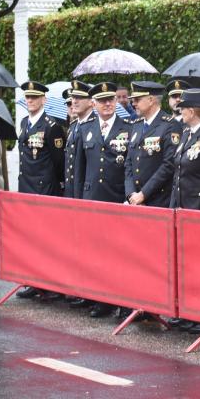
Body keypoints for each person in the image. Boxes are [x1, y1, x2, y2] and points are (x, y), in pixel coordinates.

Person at [72, 82, 132, 317]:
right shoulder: (85, 128)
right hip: (92, 198)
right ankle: (102, 300)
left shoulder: (128, 126)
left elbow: (131, 165)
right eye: (102, 100)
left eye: (111, 100)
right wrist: (78, 202)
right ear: (94, 104)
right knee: (97, 252)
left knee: (120, 253)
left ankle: (124, 302)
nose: (108, 104)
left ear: (116, 102)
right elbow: (79, 169)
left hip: (117, 198)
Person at [15, 81, 65, 300]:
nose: (30, 100)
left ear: (44, 99)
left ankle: (52, 284)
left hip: (45, 188)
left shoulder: (52, 125)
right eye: (28, 97)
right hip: (27, 186)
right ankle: (34, 281)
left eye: (34, 97)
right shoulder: (25, 122)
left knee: (48, 238)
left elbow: (58, 162)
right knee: (31, 238)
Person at [124, 81, 182, 208]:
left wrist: (143, 194)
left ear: (151, 100)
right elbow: (129, 162)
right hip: (134, 201)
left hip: (158, 201)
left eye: (137, 100)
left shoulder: (170, 125)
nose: (133, 104)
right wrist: (131, 194)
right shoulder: (137, 124)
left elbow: (169, 164)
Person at [170, 89, 200, 211]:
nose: (181, 111)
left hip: (197, 206)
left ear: (191, 111)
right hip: (180, 204)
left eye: (183, 108)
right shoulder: (186, 132)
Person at [63, 81, 93, 198]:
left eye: (79, 98)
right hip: (71, 190)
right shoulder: (73, 125)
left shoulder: (96, 125)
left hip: (86, 191)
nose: (74, 101)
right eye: (74, 97)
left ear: (91, 102)